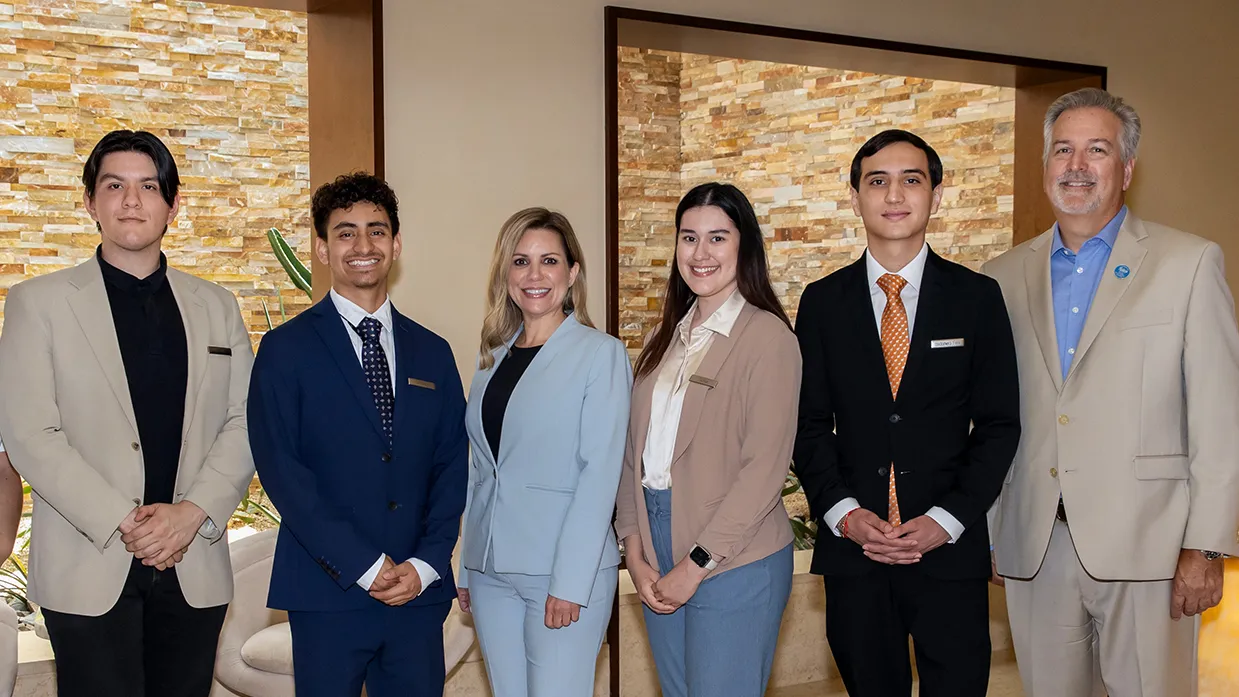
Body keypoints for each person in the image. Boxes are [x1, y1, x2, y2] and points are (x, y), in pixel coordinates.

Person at [983, 87, 1239, 697]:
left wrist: (1206, 547)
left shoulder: (1189, 263)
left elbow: (1220, 416)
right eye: (1062, 150)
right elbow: (991, 418)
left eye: (1096, 150)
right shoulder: (999, 277)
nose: (1076, 166)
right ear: (1045, 166)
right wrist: (993, 527)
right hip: (1036, 544)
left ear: (1126, 168)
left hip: (1150, 545)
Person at [0, 129, 256, 697]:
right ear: (90, 200)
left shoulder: (216, 306)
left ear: (173, 204)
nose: (132, 201)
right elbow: (31, 435)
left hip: (192, 559)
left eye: (148, 186)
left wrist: (191, 513)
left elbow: (245, 420)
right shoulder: (36, 304)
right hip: (89, 560)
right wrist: (128, 521)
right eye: (114, 185)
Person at [792, 129, 1021, 697]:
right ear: (855, 198)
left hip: (948, 552)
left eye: (911, 180)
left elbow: (998, 425)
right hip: (856, 551)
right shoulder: (822, 302)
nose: (894, 195)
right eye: (877, 181)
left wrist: (947, 520)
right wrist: (843, 512)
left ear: (936, 196)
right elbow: (807, 424)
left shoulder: (977, 297)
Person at [247, 173, 468, 697]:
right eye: (346, 233)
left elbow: (452, 464)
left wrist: (427, 563)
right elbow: (283, 472)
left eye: (377, 230)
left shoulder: (432, 351)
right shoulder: (284, 350)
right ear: (322, 248)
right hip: (328, 592)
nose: (363, 245)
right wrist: (364, 567)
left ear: (395, 244)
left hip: (416, 597)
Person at [614, 182, 801, 697]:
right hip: (656, 548)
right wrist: (634, 550)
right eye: (688, 238)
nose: (700, 254)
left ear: (745, 246)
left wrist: (695, 565)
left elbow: (763, 472)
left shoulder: (769, 340)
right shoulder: (666, 339)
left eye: (717, 238)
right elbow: (634, 455)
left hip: (733, 556)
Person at [457, 207, 630, 696]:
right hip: (490, 570)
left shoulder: (601, 354)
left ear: (572, 273)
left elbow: (599, 475)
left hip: (560, 571)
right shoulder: (491, 355)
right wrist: (468, 563)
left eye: (549, 261)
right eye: (520, 262)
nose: (534, 275)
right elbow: (480, 467)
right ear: (505, 274)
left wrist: (570, 582)